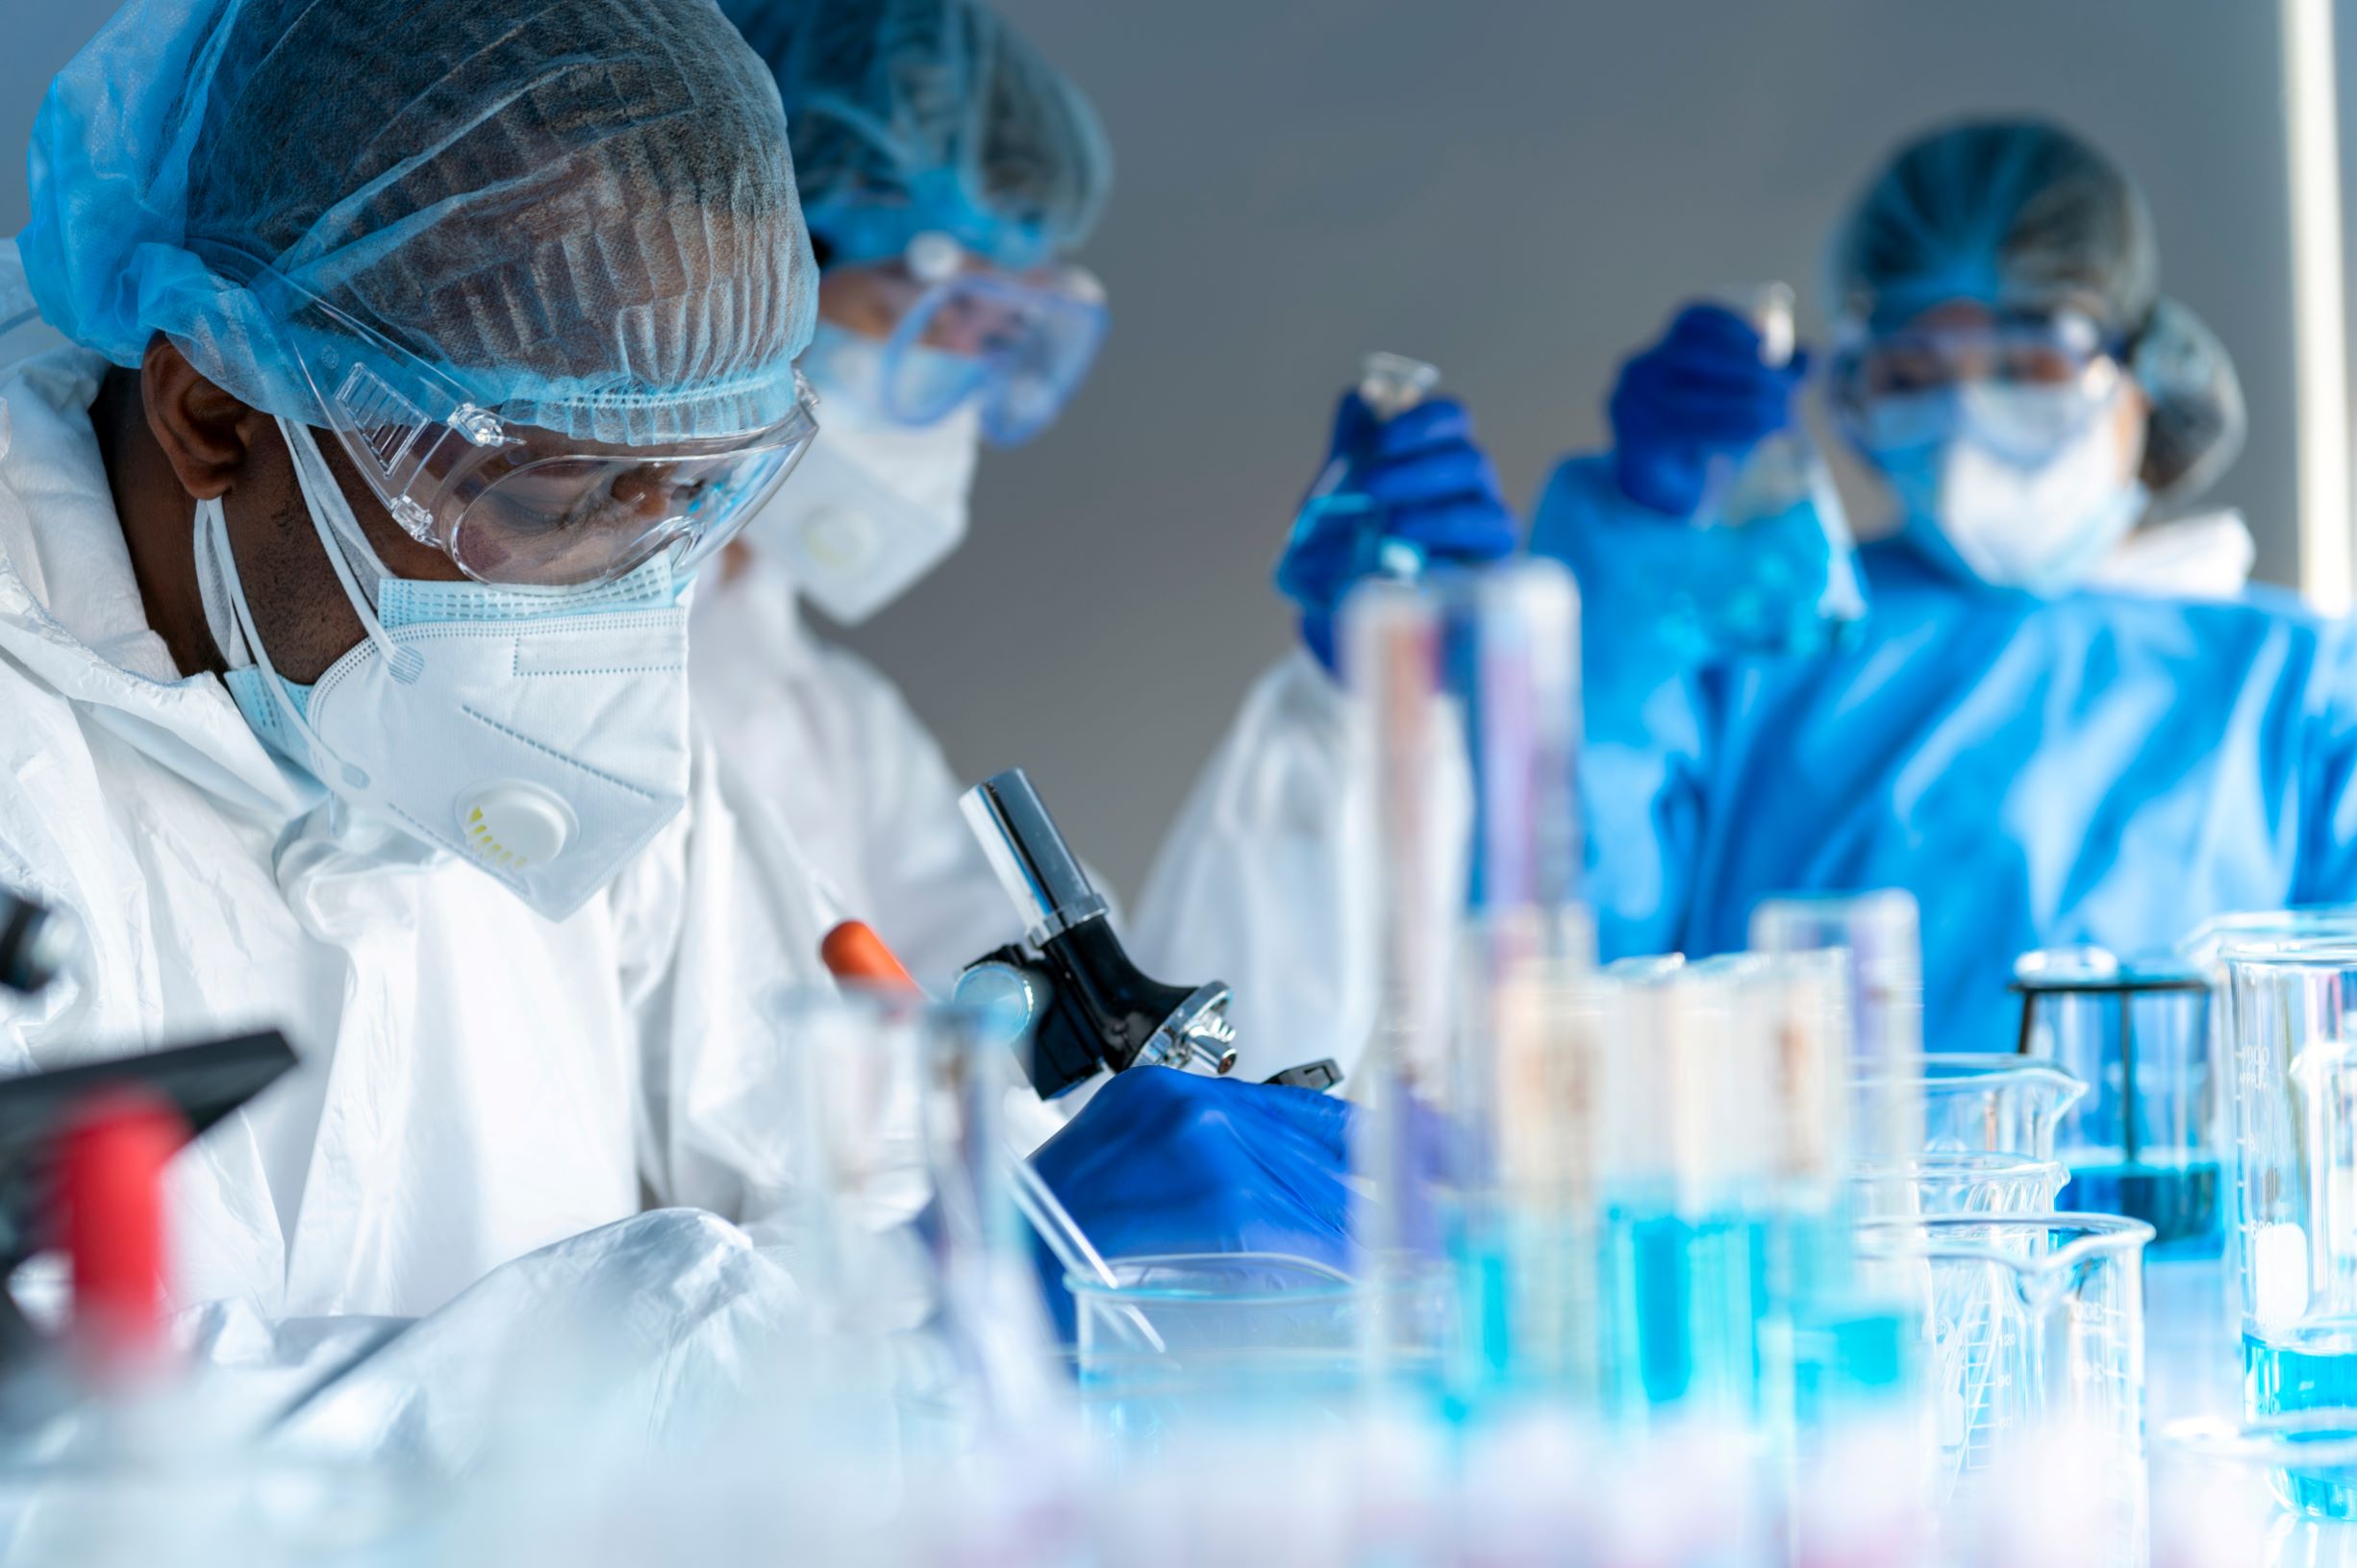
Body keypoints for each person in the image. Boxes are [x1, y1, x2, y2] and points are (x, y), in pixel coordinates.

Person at [0, 0, 1345, 1336]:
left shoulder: (558, 716)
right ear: (216, 413)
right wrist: (810, 1331)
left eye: (690, 494)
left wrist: (1035, 1216)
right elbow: (78, 1455)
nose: (629, 592)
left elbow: (865, 1178)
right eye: (553, 488)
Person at [1141, 116, 2332, 1066]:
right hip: (1798, 1306)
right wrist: (1640, 549)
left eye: (2028, 362)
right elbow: (1562, 969)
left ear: (2144, 370)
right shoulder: (1758, 644)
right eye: (1915, 372)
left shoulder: (2297, 686)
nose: (1968, 418)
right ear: (1853, 393)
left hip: (2199, 1329)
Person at [692, 0, 1115, 990]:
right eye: (936, 306)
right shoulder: (535, 655)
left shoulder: (828, 715)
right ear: (759, 264)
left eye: (1000, 327)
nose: (959, 369)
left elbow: (983, 953)